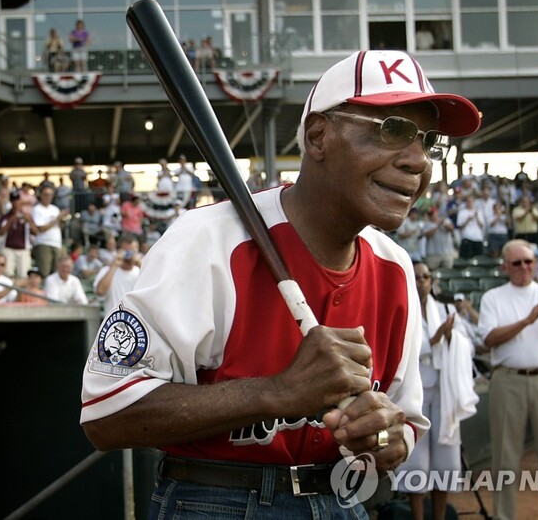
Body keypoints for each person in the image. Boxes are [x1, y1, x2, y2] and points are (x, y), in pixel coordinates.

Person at [80, 49, 481, 518]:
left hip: (340, 499)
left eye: (429, 141)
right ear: (318, 137)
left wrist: (384, 436)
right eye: (393, 130)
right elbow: (107, 414)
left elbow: (402, 425)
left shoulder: (395, 267)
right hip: (213, 499)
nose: (418, 161)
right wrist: (278, 392)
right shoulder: (209, 239)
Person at [478, 239, 538, 520]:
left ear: (536, 263)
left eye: (529, 261)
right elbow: (489, 338)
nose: (524, 267)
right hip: (507, 381)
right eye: (517, 263)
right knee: (505, 459)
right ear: (505, 266)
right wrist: (527, 320)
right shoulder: (493, 298)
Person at [395, 262, 477, 520]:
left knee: (445, 457)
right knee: (416, 459)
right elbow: (399, 348)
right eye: (417, 277)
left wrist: (450, 337)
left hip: (444, 389)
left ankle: (439, 516)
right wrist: (434, 340)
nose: (422, 281)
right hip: (414, 391)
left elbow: (469, 345)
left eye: (426, 277)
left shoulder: (445, 309)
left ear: (432, 281)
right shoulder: (403, 307)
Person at [92, 234, 141, 315]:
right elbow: (100, 291)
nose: (131, 254)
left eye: (134, 250)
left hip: (135, 323)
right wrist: (114, 265)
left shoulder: (140, 271)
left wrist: (142, 266)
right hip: (114, 323)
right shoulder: (107, 271)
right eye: (127, 251)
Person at [0, 190, 37, 280]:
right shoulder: (6, 216)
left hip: (23, 248)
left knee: (23, 275)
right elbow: (0, 232)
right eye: (13, 200)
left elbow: (35, 232)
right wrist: (11, 220)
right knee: (7, 274)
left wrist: (30, 222)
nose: (16, 203)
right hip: (8, 247)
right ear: (11, 202)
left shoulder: (27, 216)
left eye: (17, 200)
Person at [32, 186, 67, 278]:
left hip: (56, 243)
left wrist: (62, 221)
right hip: (43, 243)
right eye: (46, 195)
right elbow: (41, 228)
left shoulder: (55, 209)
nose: (48, 197)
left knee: (56, 274)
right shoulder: (37, 209)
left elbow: (59, 226)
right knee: (44, 272)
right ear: (41, 195)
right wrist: (57, 219)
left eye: (50, 195)